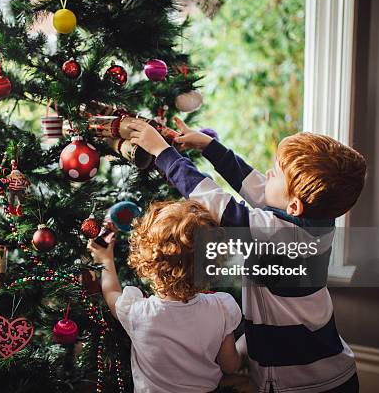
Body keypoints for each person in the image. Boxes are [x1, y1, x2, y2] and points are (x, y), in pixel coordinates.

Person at [125, 118, 366, 393]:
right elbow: (257, 188)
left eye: (274, 173)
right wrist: (211, 147)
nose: (266, 174)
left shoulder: (280, 237)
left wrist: (163, 154)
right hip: (332, 371)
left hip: (301, 382)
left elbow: (216, 203)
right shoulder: (316, 222)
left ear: (295, 205)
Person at [88, 200, 243, 393]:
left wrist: (105, 258)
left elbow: (111, 292)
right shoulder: (221, 308)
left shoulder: (138, 312)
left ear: (148, 262)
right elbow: (230, 365)